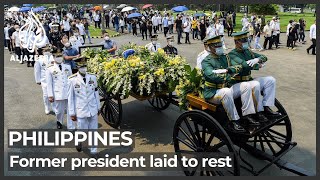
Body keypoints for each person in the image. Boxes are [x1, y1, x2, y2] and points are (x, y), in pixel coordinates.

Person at [201, 36, 259, 132]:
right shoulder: (206, 61)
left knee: (246, 85)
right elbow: (211, 75)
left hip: (226, 88)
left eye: (220, 45)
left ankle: (247, 115)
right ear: (210, 47)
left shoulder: (225, 57)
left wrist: (230, 69)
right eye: (217, 46)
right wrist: (229, 75)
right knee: (226, 91)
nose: (219, 47)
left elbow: (238, 66)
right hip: (213, 93)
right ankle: (234, 121)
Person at [228, 31, 279, 118]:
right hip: (237, 83)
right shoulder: (232, 54)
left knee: (271, 80)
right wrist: (257, 65)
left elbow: (264, 57)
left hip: (249, 80)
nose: (246, 42)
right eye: (243, 40)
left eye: (246, 40)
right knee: (255, 84)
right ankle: (258, 112)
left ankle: (266, 106)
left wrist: (257, 59)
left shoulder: (248, 51)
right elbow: (244, 65)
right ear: (237, 42)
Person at [68, 58, 100, 156]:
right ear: (77, 67)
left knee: (94, 130)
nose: (83, 68)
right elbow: (71, 98)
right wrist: (72, 113)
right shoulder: (72, 80)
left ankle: (93, 150)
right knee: (83, 130)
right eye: (81, 66)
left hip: (92, 108)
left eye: (85, 66)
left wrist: (98, 107)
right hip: (81, 109)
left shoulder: (92, 77)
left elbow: (96, 93)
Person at [46, 55, 73, 130]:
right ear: (54, 58)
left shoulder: (67, 66)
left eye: (60, 56)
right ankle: (59, 121)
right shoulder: (50, 69)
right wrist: (50, 95)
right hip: (58, 93)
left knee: (70, 110)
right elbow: (49, 83)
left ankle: (71, 126)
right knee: (59, 111)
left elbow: (71, 79)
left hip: (68, 92)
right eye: (57, 56)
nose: (59, 58)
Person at [34, 45, 55, 115]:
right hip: (44, 80)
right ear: (42, 51)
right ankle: (47, 106)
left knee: (53, 94)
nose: (47, 52)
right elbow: (37, 70)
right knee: (46, 95)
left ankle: (53, 106)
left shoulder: (53, 58)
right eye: (45, 50)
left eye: (48, 50)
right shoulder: (39, 60)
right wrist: (38, 80)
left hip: (53, 79)